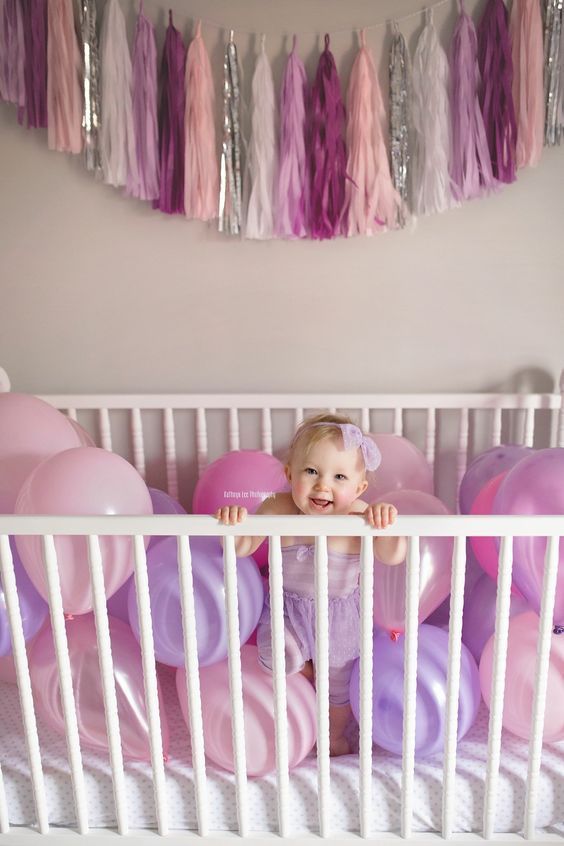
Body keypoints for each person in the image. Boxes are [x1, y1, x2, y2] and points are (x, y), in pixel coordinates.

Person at [215, 413, 407, 756]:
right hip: (287, 609)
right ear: (290, 475)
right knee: (275, 658)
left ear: (359, 488)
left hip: (341, 617)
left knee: (337, 690)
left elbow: (393, 556)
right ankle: (305, 669)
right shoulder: (277, 508)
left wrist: (386, 524)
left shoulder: (359, 515)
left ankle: (331, 736)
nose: (323, 485)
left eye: (339, 477)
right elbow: (242, 548)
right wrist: (233, 525)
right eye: (311, 472)